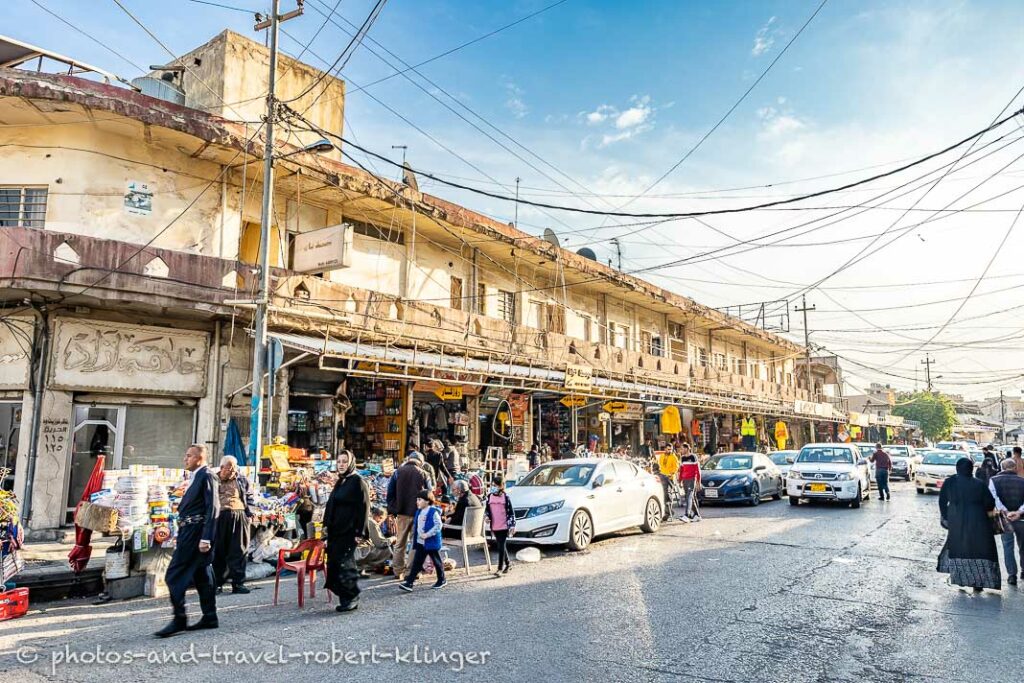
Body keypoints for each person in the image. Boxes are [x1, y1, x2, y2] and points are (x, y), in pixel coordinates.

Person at [155, 444, 219, 637]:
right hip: (188, 531)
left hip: (196, 533)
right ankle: (210, 616)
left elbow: (213, 508)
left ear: (200, 458)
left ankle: (179, 619)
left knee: (174, 575)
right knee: (202, 575)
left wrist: (206, 538)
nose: (185, 459)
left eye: (189, 456)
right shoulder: (194, 477)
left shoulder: (207, 475)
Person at [937, 457, 1001, 592]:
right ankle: (978, 583)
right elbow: (990, 503)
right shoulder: (979, 484)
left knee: (960, 548)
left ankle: (961, 579)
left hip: (956, 521)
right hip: (979, 521)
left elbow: (942, 501)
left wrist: (945, 517)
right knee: (979, 550)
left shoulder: (950, 483)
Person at [323, 449, 371, 612]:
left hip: (349, 531)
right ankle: (344, 596)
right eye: (339, 461)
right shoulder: (341, 481)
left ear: (351, 463)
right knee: (335, 564)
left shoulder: (358, 482)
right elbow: (332, 504)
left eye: (344, 461)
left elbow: (364, 508)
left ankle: (351, 597)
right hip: (336, 531)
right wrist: (325, 524)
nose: (341, 465)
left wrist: (360, 532)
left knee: (345, 565)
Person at [212, 455, 256, 594]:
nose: (232, 471)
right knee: (218, 551)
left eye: (234, 468)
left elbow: (250, 497)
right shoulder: (213, 479)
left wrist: (250, 513)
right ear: (221, 468)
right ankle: (217, 583)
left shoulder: (242, 479)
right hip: (219, 517)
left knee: (239, 550)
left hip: (239, 515)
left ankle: (238, 584)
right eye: (229, 469)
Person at [389, 452, 429, 581]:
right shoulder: (424, 473)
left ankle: (397, 571)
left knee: (400, 542)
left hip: (402, 513)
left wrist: (395, 509)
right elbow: (429, 494)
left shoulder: (397, 472)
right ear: (420, 462)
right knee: (415, 543)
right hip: (418, 513)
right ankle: (411, 571)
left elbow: (390, 494)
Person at [398, 490, 446, 592]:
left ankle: (442, 579)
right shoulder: (419, 512)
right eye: (417, 499)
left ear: (428, 501)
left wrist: (428, 534)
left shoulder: (433, 512)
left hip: (431, 542)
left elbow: (438, 525)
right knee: (417, 562)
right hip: (421, 542)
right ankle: (409, 582)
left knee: (436, 561)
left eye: (420, 500)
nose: (417, 502)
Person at [988, 458, 1024, 586]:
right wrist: (1019, 512)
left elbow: (993, 498)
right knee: (1023, 545)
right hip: (1021, 519)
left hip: (1004, 518)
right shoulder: (1022, 481)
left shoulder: (993, 480)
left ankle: (1012, 575)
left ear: (1002, 468)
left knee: (1007, 546)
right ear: (1015, 468)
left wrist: (1005, 511)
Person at [484, 474, 516, 576]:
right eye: (493, 485)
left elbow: (511, 512)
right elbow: (487, 510)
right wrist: (487, 517)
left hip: (503, 525)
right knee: (500, 545)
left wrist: (512, 526)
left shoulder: (506, 497)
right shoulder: (489, 497)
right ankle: (508, 563)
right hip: (494, 525)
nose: (494, 487)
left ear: (502, 486)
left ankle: (499, 568)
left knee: (501, 546)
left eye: (496, 485)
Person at [355, 506, 395, 576]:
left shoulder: (364, 518)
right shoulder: (372, 522)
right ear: (379, 517)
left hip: (352, 551)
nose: (381, 523)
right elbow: (380, 543)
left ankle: (365, 566)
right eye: (382, 520)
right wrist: (393, 538)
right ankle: (380, 566)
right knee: (387, 549)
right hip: (358, 553)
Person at [678, 444, 702, 522]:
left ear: (687, 449)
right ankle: (697, 515)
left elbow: (698, 470)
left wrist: (699, 482)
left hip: (692, 479)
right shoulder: (682, 458)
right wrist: (680, 480)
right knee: (690, 497)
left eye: (682, 449)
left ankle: (687, 515)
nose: (681, 450)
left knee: (689, 496)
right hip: (685, 480)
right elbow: (681, 470)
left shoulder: (693, 457)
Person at [657, 446, 680, 513]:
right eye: (668, 449)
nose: (670, 450)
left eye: (671, 449)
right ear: (665, 449)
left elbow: (676, 467)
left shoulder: (674, 457)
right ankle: (666, 511)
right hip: (662, 476)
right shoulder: (661, 456)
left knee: (668, 493)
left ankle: (669, 510)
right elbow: (659, 465)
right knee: (662, 493)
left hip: (669, 477)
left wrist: (671, 473)